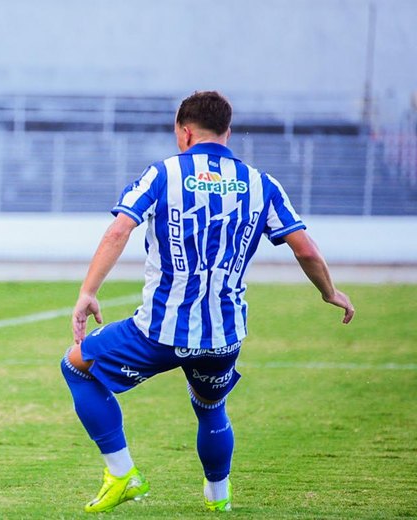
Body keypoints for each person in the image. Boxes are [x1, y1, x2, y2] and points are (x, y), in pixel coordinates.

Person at [62, 91, 354, 513]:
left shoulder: (163, 174)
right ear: (227, 133)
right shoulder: (261, 183)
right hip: (224, 334)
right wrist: (330, 292)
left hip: (158, 332)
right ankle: (219, 499)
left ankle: (123, 473)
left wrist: (88, 291)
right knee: (211, 407)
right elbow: (305, 249)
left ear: (184, 132)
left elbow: (117, 232)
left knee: (76, 365)